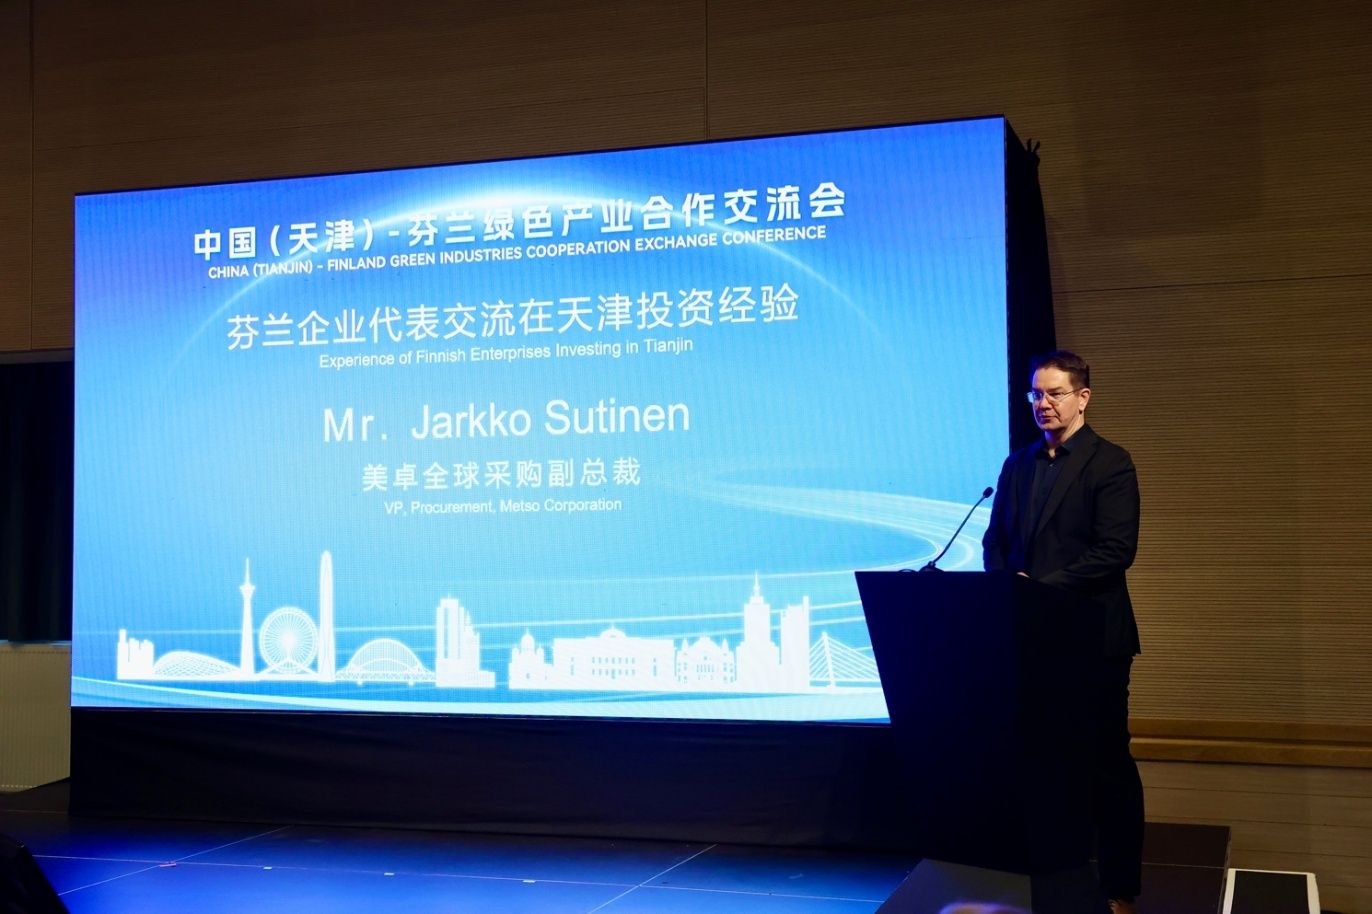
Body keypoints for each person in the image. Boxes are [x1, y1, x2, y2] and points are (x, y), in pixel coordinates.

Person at [982, 350, 1144, 914]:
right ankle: (1048, 878)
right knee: (1039, 766)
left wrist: (1041, 588)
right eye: (1036, 394)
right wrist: (1007, 585)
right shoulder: (1018, 465)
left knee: (1106, 764)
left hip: (1092, 640)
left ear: (1083, 397)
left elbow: (1116, 550)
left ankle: (1119, 887)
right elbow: (995, 541)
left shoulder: (1111, 463)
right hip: (1031, 643)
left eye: (1054, 393)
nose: (1043, 404)